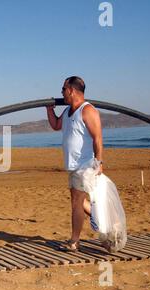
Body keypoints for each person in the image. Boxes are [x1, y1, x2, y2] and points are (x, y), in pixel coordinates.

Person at [46, 76, 103, 252]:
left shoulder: (88, 111)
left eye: (63, 89)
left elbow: (98, 138)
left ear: (71, 90)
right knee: (78, 201)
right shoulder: (68, 112)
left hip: (85, 165)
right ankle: (99, 217)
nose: (61, 92)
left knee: (76, 203)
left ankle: (74, 241)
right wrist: (49, 109)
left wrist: (99, 161)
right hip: (72, 165)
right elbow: (56, 125)